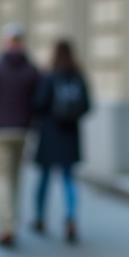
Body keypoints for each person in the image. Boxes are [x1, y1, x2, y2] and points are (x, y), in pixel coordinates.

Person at [0, 22, 39, 247]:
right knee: (15, 177)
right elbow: (38, 98)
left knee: (1, 178)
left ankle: (7, 226)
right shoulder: (31, 69)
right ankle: (13, 222)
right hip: (22, 128)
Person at [30, 40, 90, 243]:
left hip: (49, 135)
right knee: (69, 179)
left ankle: (39, 218)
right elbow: (87, 105)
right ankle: (71, 219)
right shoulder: (78, 76)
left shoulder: (49, 76)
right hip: (70, 135)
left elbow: (38, 102)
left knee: (44, 179)